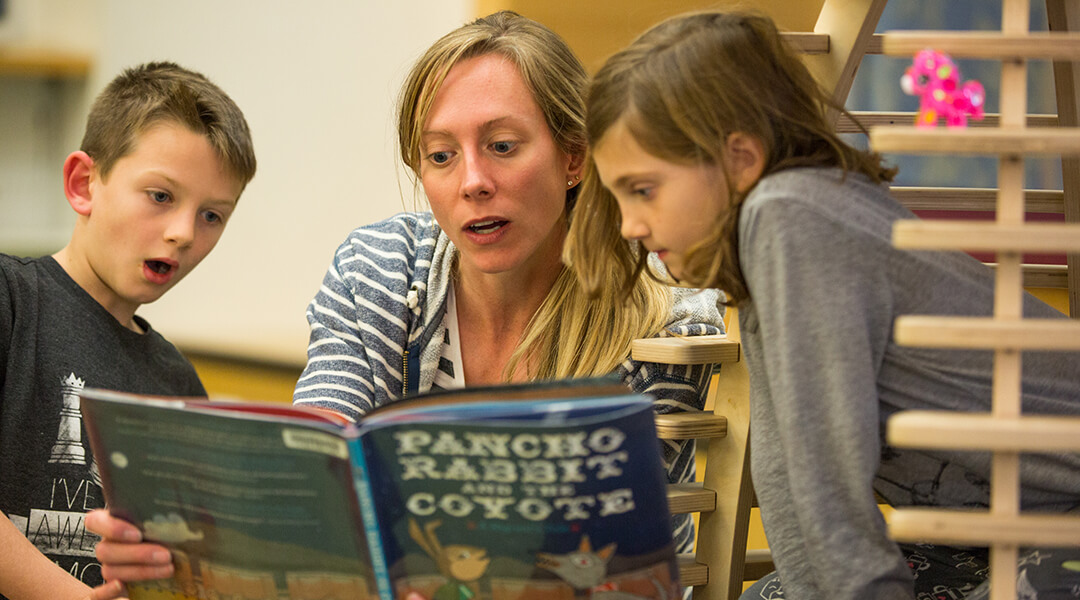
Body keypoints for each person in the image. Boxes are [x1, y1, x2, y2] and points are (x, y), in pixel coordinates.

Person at [87, 10, 724, 596]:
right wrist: (179, 548)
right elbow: (319, 463)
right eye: (441, 156)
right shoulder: (381, 271)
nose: (472, 181)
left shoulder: (666, 323)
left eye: (502, 146)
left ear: (574, 156)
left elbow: (630, 569)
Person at [565, 10, 1080, 600]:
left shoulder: (790, 216)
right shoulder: (765, 245)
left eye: (644, 190)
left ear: (739, 160)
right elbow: (785, 470)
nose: (630, 225)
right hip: (998, 532)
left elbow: (826, 476)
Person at [0, 61, 256, 600]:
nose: (183, 232)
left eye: (213, 215)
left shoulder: (178, 382)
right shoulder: (11, 299)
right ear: (82, 184)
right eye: (160, 196)